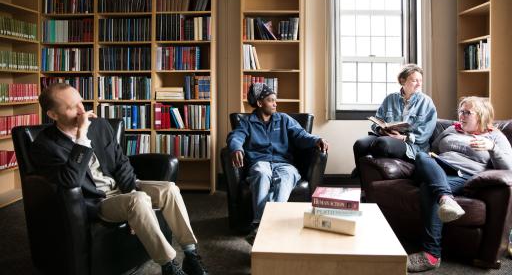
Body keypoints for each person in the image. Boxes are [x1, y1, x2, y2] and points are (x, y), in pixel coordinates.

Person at [30, 83, 207, 275]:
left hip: (122, 189)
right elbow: (70, 181)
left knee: (170, 189)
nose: (82, 111)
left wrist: (131, 193)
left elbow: (121, 162)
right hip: (96, 200)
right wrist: (81, 139)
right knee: (138, 200)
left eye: (81, 102)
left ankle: (190, 254)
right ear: (53, 115)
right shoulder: (44, 146)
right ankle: (169, 265)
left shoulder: (100, 126)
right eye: (72, 107)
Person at [407, 97, 512, 272]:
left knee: (429, 188)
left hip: (464, 176)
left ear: (481, 115)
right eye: (460, 111)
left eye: (467, 112)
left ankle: (431, 255)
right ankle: (446, 197)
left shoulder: (494, 136)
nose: (461, 116)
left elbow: (509, 167)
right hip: (438, 168)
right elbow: (433, 149)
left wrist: (492, 147)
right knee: (422, 156)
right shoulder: (451, 129)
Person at [227, 83, 328, 244]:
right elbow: (236, 136)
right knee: (261, 173)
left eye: (275, 100)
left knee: (286, 177)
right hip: (260, 163)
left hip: (284, 164)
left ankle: (260, 227)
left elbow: (302, 135)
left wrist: (316, 140)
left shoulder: (284, 119)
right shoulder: (247, 122)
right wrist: (236, 148)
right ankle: (267, 226)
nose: (275, 104)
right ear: (260, 103)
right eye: (270, 100)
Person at [352, 64, 437, 177]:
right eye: (414, 80)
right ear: (403, 81)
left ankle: (365, 168)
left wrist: (403, 137)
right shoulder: (390, 98)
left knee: (382, 143)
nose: (419, 84)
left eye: (420, 80)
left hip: (410, 144)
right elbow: (377, 121)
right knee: (360, 144)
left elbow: (425, 134)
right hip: (385, 135)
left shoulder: (427, 102)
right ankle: (362, 176)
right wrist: (381, 130)